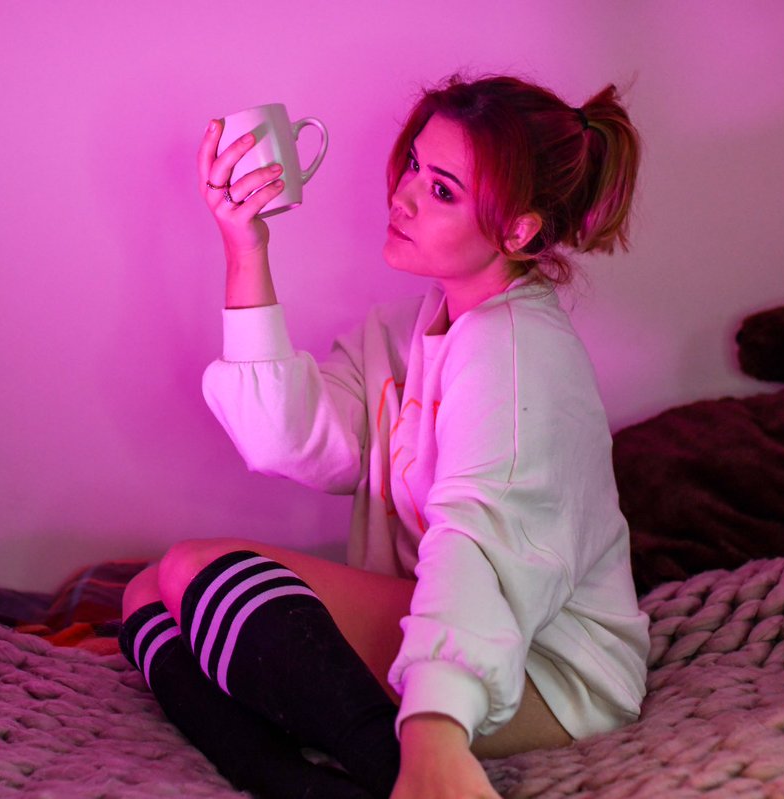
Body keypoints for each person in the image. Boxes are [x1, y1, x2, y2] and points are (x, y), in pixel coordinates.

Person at [118, 74, 650, 799]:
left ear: (519, 230)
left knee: (191, 568)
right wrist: (245, 247)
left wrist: (435, 731)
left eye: (442, 190)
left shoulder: (517, 354)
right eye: (415, 166)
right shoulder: (418, 328)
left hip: (546, 666)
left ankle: (408, 774)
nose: (403, 195)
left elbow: (481, 550)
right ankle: (300, 780)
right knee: (145, 593)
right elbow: (285, 437)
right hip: (463, 625)